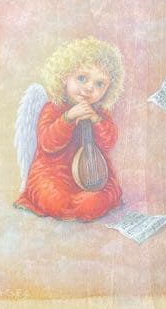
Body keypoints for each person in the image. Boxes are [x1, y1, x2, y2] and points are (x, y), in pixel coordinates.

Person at [14, 37, 124, 221]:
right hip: (55, 174)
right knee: (55, 200)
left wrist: (96, 120)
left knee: (105, 195)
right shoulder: (53, 108)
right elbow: (48, 143)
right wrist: (69, 118)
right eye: (82, 78)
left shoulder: (100, 112)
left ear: (108, 88)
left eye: (99, 84)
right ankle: (71, 207)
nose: (89, 88)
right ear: (64, 76)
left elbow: (109, 142)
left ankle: (85, 205)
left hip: (92, 173)